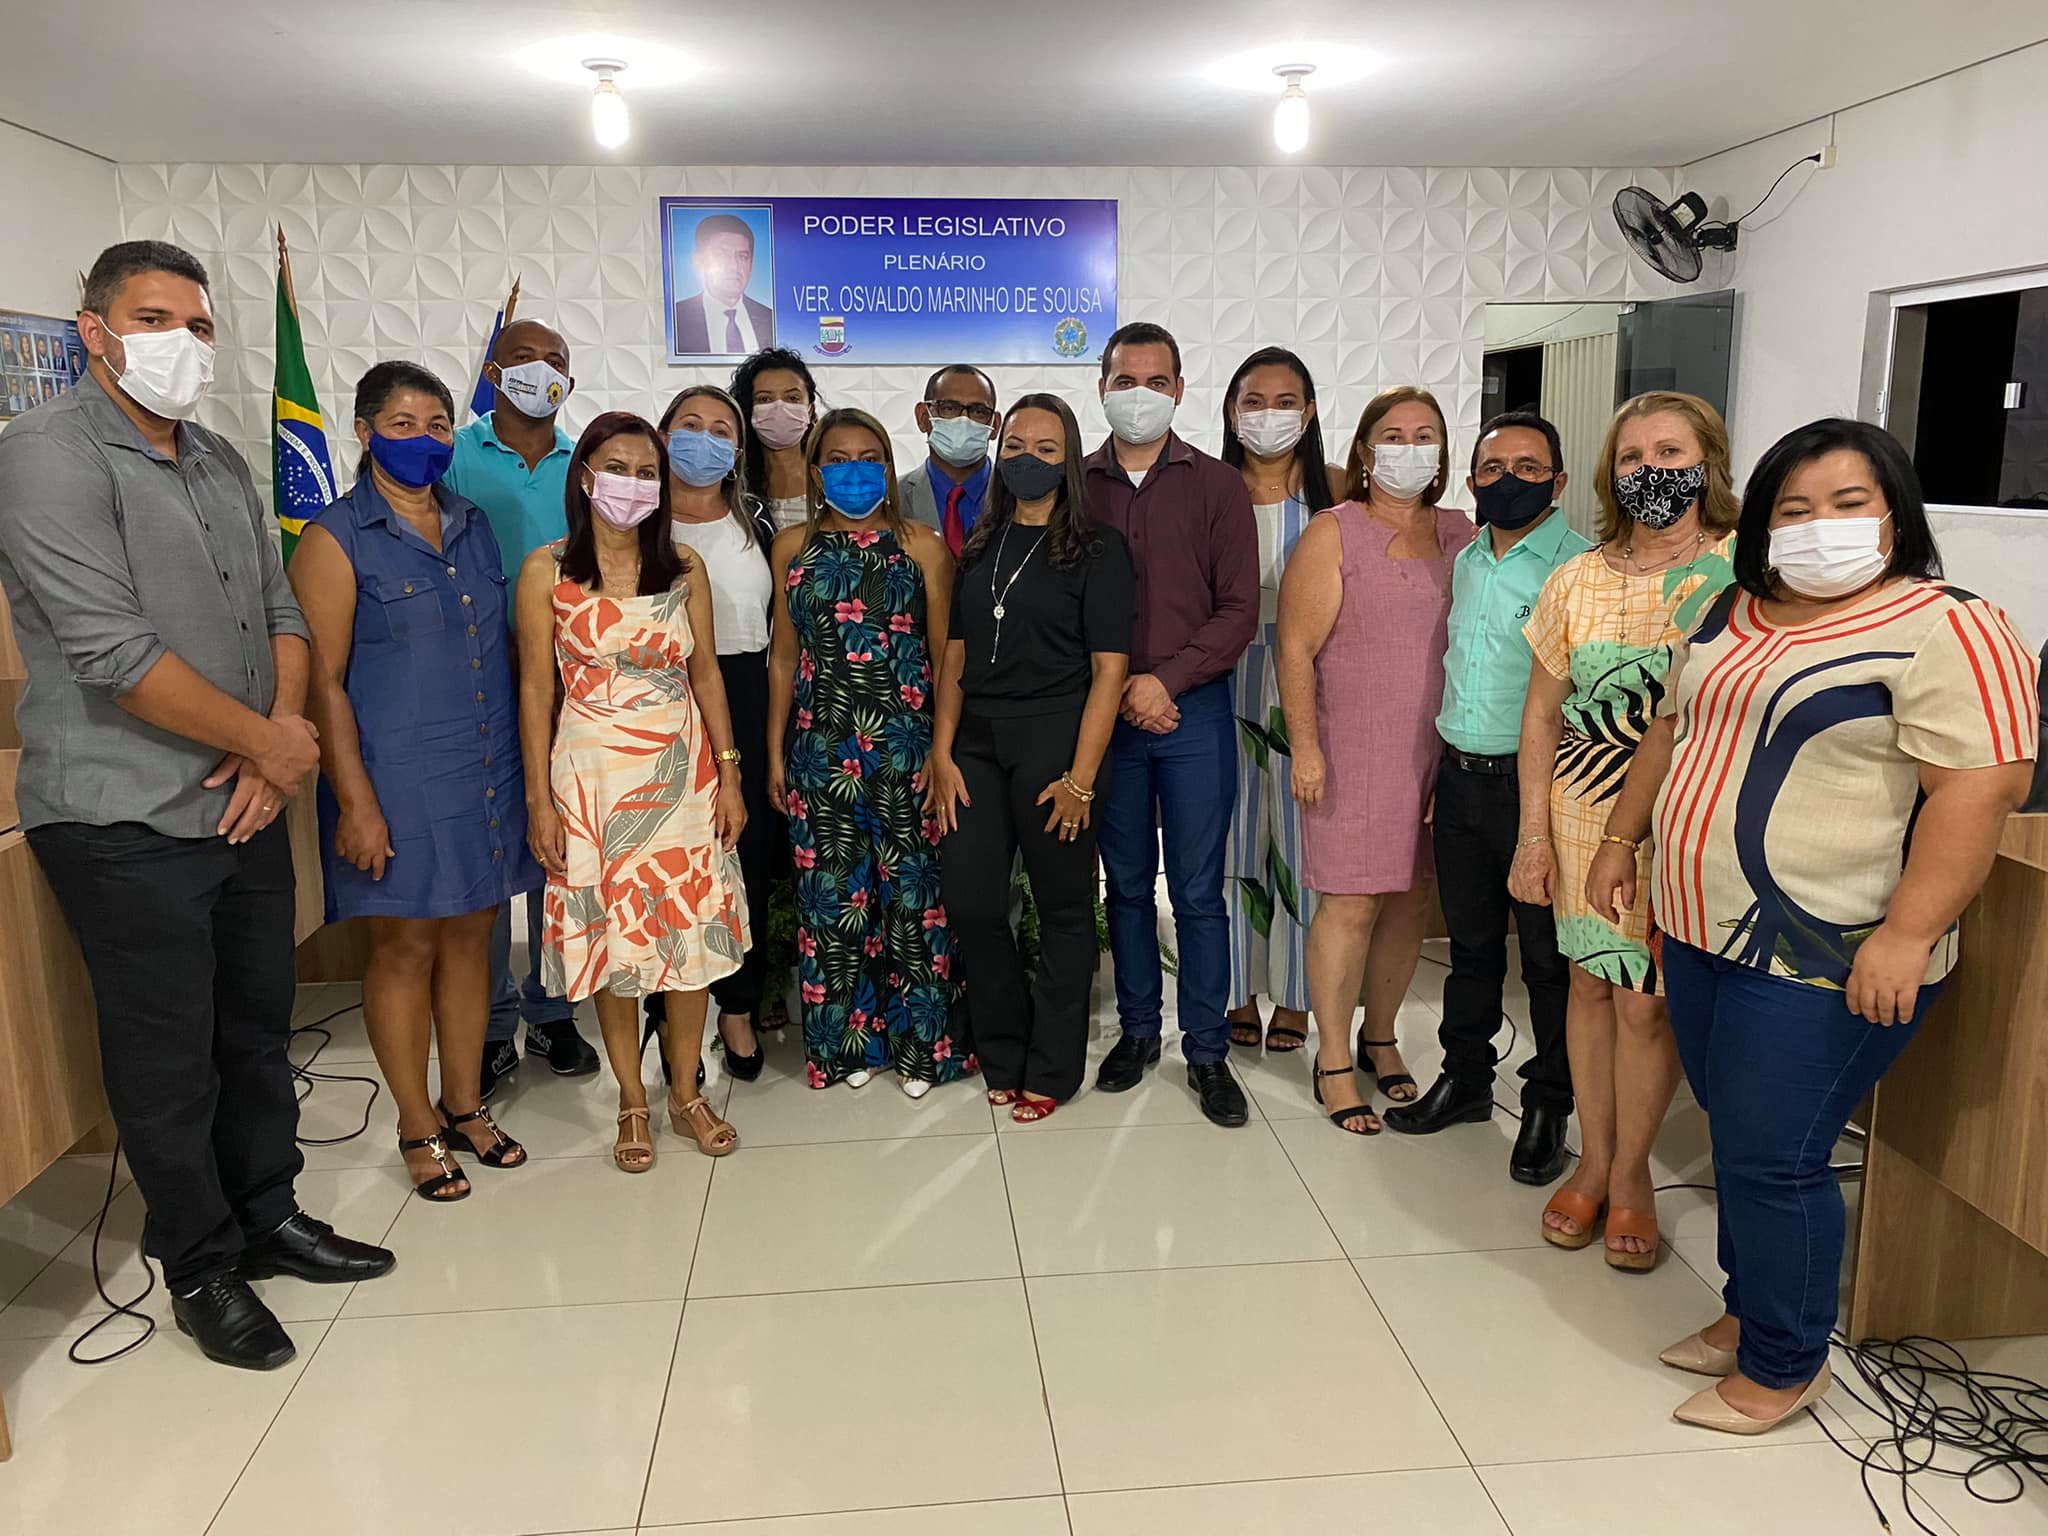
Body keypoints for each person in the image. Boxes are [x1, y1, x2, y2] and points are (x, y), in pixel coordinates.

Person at [1586, 419, 2036, 1432]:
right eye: (1793, 508)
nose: (1817, 525)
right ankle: (1749, 1313)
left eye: (1846, 503)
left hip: (1827, 949)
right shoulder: (1730, 610)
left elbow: (1980, 789)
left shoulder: (1947, 627)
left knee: (1774, 1154)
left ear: (1894, 516)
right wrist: (1621, 838)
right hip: (1700, 931)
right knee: (1737, 1132)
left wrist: (1906, 935)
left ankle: (1786, 1363)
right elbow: (1670, 728)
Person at [0, 240, 393, 1370]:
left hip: (247, 802)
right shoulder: (44, 456)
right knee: (168, 1057)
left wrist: (275, 752)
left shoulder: (215, 456)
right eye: (155, 319)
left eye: (200, 325)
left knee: (257, 1029)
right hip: (124, 816)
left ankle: (267, 1215)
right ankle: (201, 1265)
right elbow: (112, 650)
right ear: (95, 331)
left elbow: (279, 610)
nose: (185, 343)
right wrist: (269, 742)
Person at [292, 361, 541, 1200]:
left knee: (474, 935)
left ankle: (464, 1104)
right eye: (403, 425)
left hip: (484, 766)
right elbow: (322, 683)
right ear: (365, 433)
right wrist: (354, 802)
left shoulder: (472, 524)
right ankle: (415, 1123)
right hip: (393, 777)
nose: (424, 440)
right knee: (405, 945)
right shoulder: (334, 539)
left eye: (438, 425)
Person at [1510, 390, 1739, 1267]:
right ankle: (1594, 1160)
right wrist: (1533, 836)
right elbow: (1542, 715)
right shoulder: (1576, 579)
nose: (1651, 470)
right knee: (1589, 987)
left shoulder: (1739, 569)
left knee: (1648, 1003)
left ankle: (1634, 1173)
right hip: (1580, 808)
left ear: (1708, 462)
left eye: (1670, 452)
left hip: (1683, 817)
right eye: (1634, 456)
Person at [517, 412, 750, 1167]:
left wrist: (730, 773)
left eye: (648, 472)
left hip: (682, 779)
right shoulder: (547, 571)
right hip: (590, 785)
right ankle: (631, 1098)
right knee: (612, 945)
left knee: (688, 938)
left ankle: (685, 1093)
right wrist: (538, 801)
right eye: (617, 468)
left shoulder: (683, 566)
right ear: (584, 474)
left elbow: (706, 673)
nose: (633, 483)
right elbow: (534, 690)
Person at [1385, 410, 1590, 1184]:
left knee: (1545, 961)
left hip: (1540, 789)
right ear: (1471, 480)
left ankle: (1548, 1105)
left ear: (1558, 482)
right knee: (1468, 949)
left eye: (1529, 468)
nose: (1510, 481)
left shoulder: (1580, 568)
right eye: (1494, 468)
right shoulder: (1467, 559)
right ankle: (1466, 1078)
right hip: (1461, 779)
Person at [927, 393, 1134, 1121]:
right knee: (973, 902)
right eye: (1015, 445)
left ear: (1069, 460)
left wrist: (1082, 780)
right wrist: (942, 750)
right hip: (977, 745)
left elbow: (1109, 671)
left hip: (1058, 742)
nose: (1027, 460)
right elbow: (955, 656)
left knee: (1063, 909)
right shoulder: (980, 544)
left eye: (1046, 449)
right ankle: (1002, 1048)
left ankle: (1052, 1067)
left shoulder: (1100, 549)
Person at [1277, 386, 1474, 1135]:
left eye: (1425, 436)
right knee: (1352, 902)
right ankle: (1332, 1059)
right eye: (1393, 436)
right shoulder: (1335, 532)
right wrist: (1306, 748)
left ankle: (1381, 1035)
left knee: (1411, 898)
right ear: (1364, 450)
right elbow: (1295, 650)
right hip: (1353, 751)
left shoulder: (1463, 534)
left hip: (1443, 750)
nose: (1409, 449)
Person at [1085, 321, 1259, 1127]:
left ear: (1181, 391)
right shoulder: (1076, 484)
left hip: (1193, 710)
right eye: (1126, 381)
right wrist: (1121, 688)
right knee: (1124, 886)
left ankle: (1208, 1051)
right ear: (1103, 389)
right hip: (1104, 714)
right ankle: (1138, 1032)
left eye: (1157, 382)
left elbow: (1239, 610)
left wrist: (1164, 680)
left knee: (1195, 891)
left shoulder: (1218, 486)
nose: (1141, 396)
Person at [766, 407, 968, 1095]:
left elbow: (945, 658)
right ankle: (849, 1046)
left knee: (914, 901)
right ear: (816, 470)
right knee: (833, 904)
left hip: (907, 750)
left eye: (868, 457)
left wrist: (942, 750)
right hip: (820, 752)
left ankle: (923, 1050)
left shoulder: (922, 547)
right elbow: (784, 657)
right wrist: (774, 752)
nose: (854, 471)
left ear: (887, 464)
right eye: (838, 458)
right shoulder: (791, 547)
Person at [443, 317, 600, 1092]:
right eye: (525, 357)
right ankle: (490, 1021)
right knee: (484, 851)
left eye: (557, 360)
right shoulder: (454, 454)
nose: (542, 370)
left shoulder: (585, 465)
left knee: (556, 845)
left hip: (569, 682)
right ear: (493, 372)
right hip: (470, 680)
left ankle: (552, 1012)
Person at [639, 383, 777, 1083]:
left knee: (745, 855)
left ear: (739, 448)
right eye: (690, 425)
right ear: (663, 436)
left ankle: (738, 1007)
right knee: (668, 864)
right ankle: (669, 1017)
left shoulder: (758, 524)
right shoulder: (637, 524)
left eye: (722, 429)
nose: (706, 438)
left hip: (745, 692)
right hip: (660, 701)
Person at [1217, 346, 1344, 1055]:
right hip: (1224, 675)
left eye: (1286, 401)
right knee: (1233, 838)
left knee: (1301, 840)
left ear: (1311, 410)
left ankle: (1297, 996)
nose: (1270, 415)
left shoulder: (1337, 491)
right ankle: (1237, 988)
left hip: (1313, 681)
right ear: (1232, 411)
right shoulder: (1211, 488)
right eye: (1254, 401)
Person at [902, 364, 998, 557]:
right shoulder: (891, 498)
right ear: (923, 417)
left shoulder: (1019, 496)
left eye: (978, 411)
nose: (964, 420)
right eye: (949, 408)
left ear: (995, 425)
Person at [732, 347, 820, 535]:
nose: (779, 407)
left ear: (810, 410)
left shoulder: (829, 479)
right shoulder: (733, 484)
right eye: (764, 399)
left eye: (792, 398)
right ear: (749, 410)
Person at [674, 213, 776, 354]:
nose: (734, 266)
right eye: (722, 255)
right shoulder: (678, 318)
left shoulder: (771, 318)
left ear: (751, 264)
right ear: (699, 259)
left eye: (742, 257)